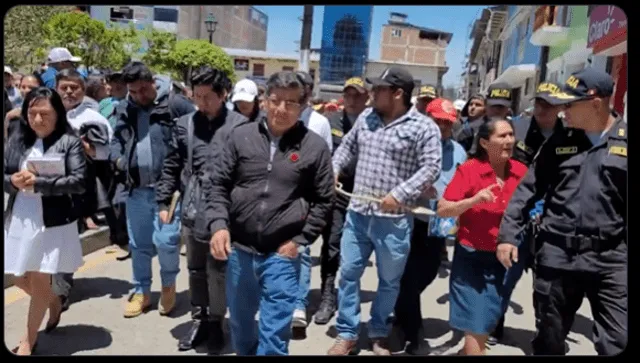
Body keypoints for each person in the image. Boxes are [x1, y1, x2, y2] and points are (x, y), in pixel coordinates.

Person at [497, 68, 627, 356]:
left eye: (569, 104)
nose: (562, 111)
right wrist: (507, 235)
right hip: (558, 256)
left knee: (618, 341)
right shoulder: (559, 142)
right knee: (549, 338)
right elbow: (527, 190)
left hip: (610, 259)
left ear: (595, 103)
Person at [206, 71, 334, 355]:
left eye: (291, 103)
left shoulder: (314, 147)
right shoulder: (241, 136)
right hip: (239, 251)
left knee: (274, 333)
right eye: (276, 100)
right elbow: (217, 185)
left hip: (281, 255)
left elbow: (325, 200)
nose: (282, 109)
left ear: (303, 106)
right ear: (263, 101)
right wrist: (218, 225)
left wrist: (300, 241)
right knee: (240, 325)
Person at [328, 67, 442, 356]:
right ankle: (347, 332)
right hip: (358, 214)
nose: (372, 94)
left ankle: (378, 332)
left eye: (378, 89)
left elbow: (431, 168)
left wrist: (399, 194)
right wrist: (334, 167)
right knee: (349, 273)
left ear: (397, 94)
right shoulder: (366, 118)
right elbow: (346, 147)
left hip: (393, 221)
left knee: (389, 282)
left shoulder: (423, 127)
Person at [156, 67, 247, 353]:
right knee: (195, 267)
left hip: (227, 210)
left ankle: (218, 322)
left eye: (208, 97)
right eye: (197, 96)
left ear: (224, 94)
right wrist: (163, 201)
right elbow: (172, 163)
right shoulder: (184, 124)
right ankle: (200, 318)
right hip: (192, 205)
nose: (202, 103)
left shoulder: (241, 126)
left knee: (218, 270)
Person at [4, 87, 87, 355]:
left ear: (58, 114)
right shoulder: (18, 139)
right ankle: (53, 300)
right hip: (20, 218)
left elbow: (78, 182)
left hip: (52, 221)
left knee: (39, 279)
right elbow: (5, 174)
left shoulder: (69, 141)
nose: (37, 119)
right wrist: (13, 182)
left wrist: (39, 184)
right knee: (17, 276)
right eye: (32, 113)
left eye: (45, 114)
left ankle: (29, 341)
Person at [110, 61, 195, 318]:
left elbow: (194, 135)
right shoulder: (125, 108)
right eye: (132, 91)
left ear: (153, 83)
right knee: (139, 244)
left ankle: (168, 285)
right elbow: (116, 139)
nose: (138, 96)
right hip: (136, 189)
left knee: (167, 240)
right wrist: (119, 160)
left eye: (143, 90)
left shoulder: (175, 105)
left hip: (169, 191)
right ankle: (141, 291)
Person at [437, 117, 526, 355]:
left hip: (503, 260)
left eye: (511, 135)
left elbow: (534, 204)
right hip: (471, 258)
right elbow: (443, 208)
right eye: (502, 136)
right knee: (475, 322)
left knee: (487, 319)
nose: (509, 140)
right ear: (485, 143)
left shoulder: (521, 171)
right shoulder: (470, 170)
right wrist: (473, 200)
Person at [489, 81, 568, 346]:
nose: (542, 109)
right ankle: (493, 325)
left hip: (552, 219)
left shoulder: (570, 135)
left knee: (547, 285)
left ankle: (543, 334)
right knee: (505, 276)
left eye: (548, 105)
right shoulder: (517, 131)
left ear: (559, 108)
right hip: (518, 216)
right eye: (539, 103)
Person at [394, 98, 467, 355]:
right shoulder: (412, 146)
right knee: (410, 277)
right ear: (427, 119)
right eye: (438, 121)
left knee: (430, 272)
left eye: (448, 123)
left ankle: (401, 313)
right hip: (413, 218)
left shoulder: (458, 151)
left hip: (442, 221)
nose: (443, 127)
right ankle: (413, 333)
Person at [52, 69, 114, 310]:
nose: (68, 92)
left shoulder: (93, 117)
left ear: (82, 89)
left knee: (65, 236)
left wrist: (80, 144)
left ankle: (60, 292)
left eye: (74, 87)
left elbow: (103, 154)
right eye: (64, 87)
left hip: (75, 187)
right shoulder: (46, 111)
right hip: (45, 186)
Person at [314, 77, 368, 325]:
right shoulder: (331, 121)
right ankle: (327, 294)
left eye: (358, 95)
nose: (353, 99)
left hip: (365, 195)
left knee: (357, 251)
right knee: (332, 243)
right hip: (337, 193)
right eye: (349, 95)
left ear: (366, 98)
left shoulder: (374, 124)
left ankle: (349, 296)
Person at [292, 71, 333, 329]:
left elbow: (326, 163)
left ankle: (299, 305)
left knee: (302, 249)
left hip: (305, 196)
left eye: (304, 89)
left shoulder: (320, 122)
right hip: (277, 194)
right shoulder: (275, 118)